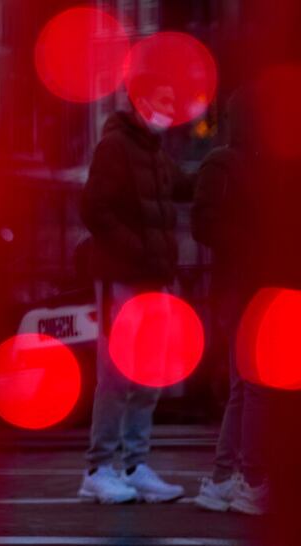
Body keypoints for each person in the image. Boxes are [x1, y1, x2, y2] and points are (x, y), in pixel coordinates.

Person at [78, 73, 193, 504]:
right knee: (116, 375)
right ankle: (99, 467)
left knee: (147, 376)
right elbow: (93, 208)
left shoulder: (153, 153)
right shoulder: (115, 149)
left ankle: (133, 464)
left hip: (151, 278)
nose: (168, 108)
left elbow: (182, 187)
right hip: (124, 277)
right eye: (162, 98)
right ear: (139, 101)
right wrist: (138, 249)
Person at [190, 87, 269, 515]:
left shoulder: (242, 163)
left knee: (246, 385)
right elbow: (204, 223)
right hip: (242, 284)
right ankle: (239, 478)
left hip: (248, 283)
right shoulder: (225, 163)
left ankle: (226, 477)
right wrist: (254, 246)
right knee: (254, 385)